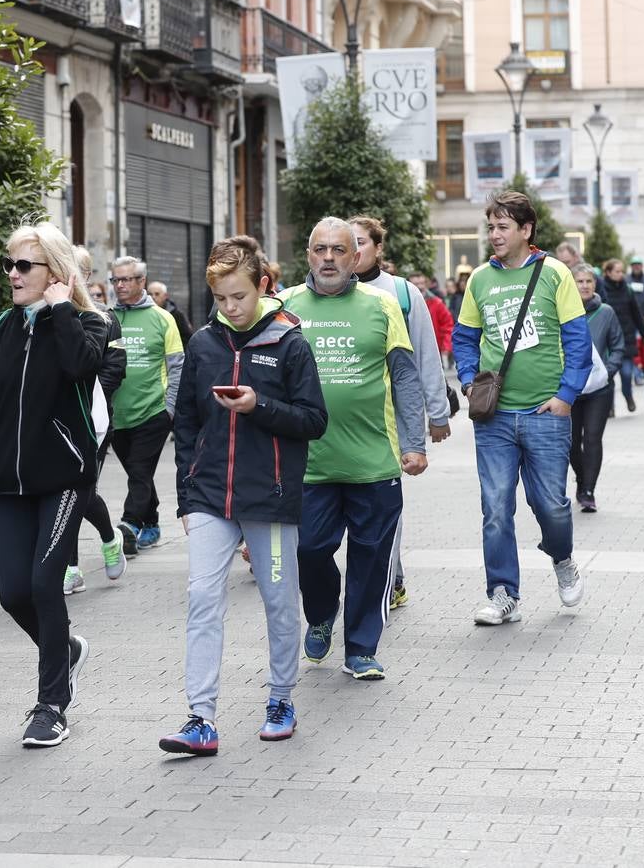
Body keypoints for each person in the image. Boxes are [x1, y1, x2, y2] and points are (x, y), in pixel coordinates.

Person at [159, 236, 328, 756]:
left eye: (239, 296)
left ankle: (280, 698)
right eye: (221, 299)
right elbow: (185, 422)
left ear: (263, 286)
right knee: (203, 599)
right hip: (211, 497)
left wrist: (260, 406)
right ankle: (200, 717)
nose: (230, 308)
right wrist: (187, 495)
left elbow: (314, 421)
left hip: (271, 500)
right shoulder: (204, 343)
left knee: (279, 602)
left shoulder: (290, 343)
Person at [0, 222, 109, 747]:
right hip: (10, 480)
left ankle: (51, 704)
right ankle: (65, 650)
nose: (12, 274)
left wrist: (60, 310)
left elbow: (80, 367)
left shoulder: (88, 325)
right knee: (13, 594)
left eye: (24, 265)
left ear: (55, 273)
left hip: (65, 479)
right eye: (9, 264)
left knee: (46, 583)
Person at [281, 217, 427, 680]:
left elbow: (404, 375)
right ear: (308, 255)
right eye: (320, 249)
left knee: (372, 559)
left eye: (339, 250)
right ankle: (322, 613)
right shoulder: (284, 307)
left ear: (356, 256)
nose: (328, 258)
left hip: (373, 461)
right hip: (308, 465)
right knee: (309, 550)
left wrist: (415, 442)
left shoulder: (382, 306)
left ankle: (361, 648)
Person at [454, 192, 592, 625]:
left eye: (502, 227)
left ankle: (563, 558)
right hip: (493, 418)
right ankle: (503, 594)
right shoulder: (479, 279)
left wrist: (566, 396)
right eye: (490, 227)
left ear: (526, 230)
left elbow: (577, 340)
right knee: (495, 506)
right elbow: (464, 337)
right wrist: (468, 379)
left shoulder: (554, 274)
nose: (494, 235)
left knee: (550, 504)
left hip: (544, 414)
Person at [347, 216, 449, 613]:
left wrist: (436, 415)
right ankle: (391, 574)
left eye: (360, 243)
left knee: (384, 504)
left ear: (377, 248)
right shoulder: (318, 295)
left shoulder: (402, 294)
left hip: (387, 419)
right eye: (344, 243)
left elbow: (424, 356)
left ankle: (390, 581)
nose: (352, 252)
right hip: (337, 425)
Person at [109, 257, 184, 554]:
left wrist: (170, 410)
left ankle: (129, 525)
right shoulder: (106, 317)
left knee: (140, 470)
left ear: (142, 282)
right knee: (136, 473)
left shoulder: (163, 318)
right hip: (117, 415)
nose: (120, 285)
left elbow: (177, 366)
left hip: (153, 413)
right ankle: (151, 523)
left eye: (127, 280)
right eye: (116, 280)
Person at [64, 247, 128, 595]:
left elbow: (115, 368)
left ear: (87, 276)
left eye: (77, 270)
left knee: (80, 491)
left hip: (93, 420)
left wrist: (85, 398)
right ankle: (70, 567)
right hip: (55, 424)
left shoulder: (104, 318)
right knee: (63, 491)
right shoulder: (46, 314)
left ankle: (108, 537)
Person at [570, 266, 623, 513]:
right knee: (571, 443)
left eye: (588, 281)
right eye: (579, 281)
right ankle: (581, 479)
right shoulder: (564, 311)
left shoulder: (606, 312)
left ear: (595, 283)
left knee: (592, 439)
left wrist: (607, 373)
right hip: (570, 388)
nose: (584, 285)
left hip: (599, 391)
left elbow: (618, 346)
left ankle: (589, 490)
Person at [601, 258, 644, 412]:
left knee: (627, 374)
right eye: (617, 271)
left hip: (626, 338)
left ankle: (628, 395)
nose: (621, 274)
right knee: (608, 377)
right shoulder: (602, 289)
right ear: (608, 272)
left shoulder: (627, 289)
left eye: (622, 271)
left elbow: (636, 313)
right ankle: (610, 408)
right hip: (607, 339)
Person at [409, 269, 456, 361]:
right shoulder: (403, 303)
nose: (419, 287)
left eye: (422, 284)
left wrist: (445, 347)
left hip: (433, 352)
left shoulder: (437, 303)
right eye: (416, 284)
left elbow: (447, 325)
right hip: (411, 352)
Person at [148, 280, 195, 348]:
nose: (153, 297)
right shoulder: (142, 313)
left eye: (157, 294)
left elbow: (187, 338)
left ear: (165, 296)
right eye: (150, 294)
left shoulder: (176, 315)